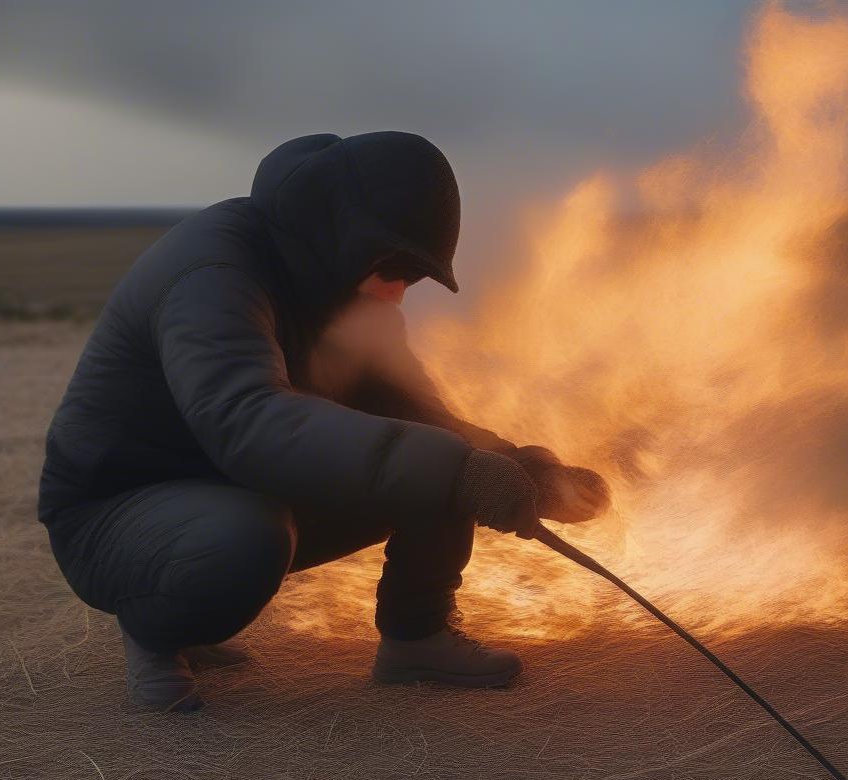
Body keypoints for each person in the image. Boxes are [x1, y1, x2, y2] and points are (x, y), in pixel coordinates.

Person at [38, 132, 609, 712]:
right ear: (347, 237)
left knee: (434, 457)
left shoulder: (336, 282)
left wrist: (526, 470)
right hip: (114, 515)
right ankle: (155, 629)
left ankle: (417, 638)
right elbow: (246, 420)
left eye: (413, 277)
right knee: (245, 538)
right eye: (396, 269)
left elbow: (420, 420)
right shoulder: (212, 273)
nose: (398, 293)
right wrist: (456, 469)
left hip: (238, 486)